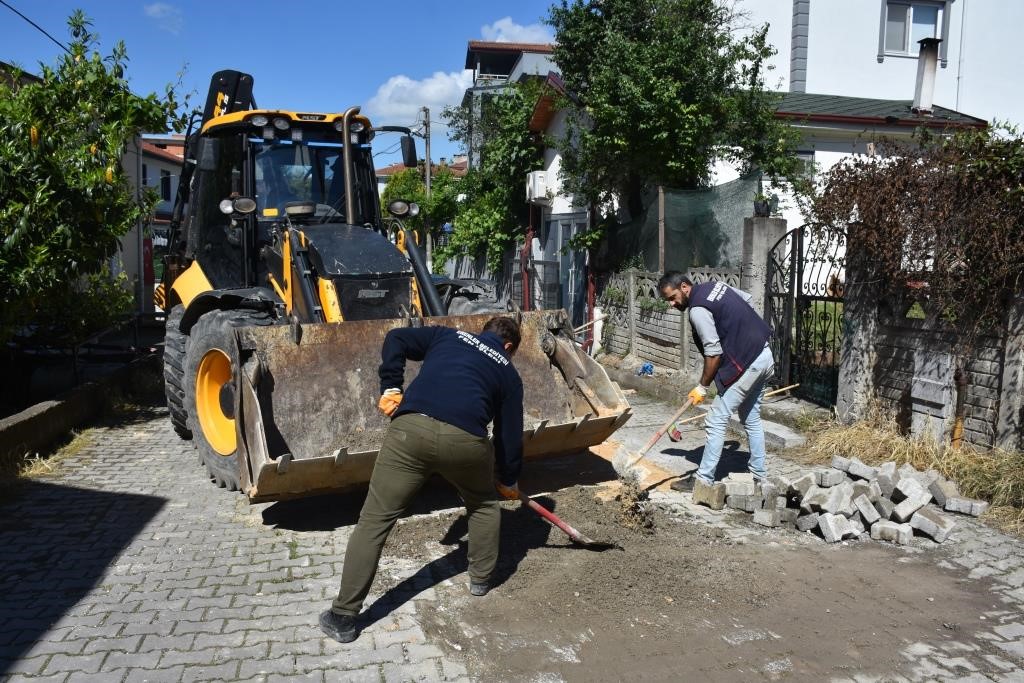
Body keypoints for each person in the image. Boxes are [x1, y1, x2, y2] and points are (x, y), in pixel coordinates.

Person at [319, 317, 525, 643]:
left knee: (374, 519)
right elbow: (509, 434)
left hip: (410, 430)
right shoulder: (508, 373)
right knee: (484, 505)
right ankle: (480, 581)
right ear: (509, 347)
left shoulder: (447, 336)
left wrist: (391, 386)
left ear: (483, 331)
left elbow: (396, 338)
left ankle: (343, 616)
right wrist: (509, 478)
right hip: (465, 442)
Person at [657, 271, 775, 494]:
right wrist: (742, 332)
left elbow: (713, 352)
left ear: (684, 287)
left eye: (672, 297)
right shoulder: (717, 286)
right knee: (750, 417)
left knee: (715, 420)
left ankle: (703, 480)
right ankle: (760, 477)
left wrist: (702, 387)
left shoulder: (698, 309)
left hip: (749, 364)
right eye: (668, 300)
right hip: (764, 354)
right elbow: (748, 300)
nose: (672, 304)